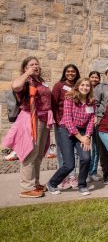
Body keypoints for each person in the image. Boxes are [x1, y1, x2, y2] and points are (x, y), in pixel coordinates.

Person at [3, 56, 55, 198]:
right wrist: (27, 74)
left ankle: (36, 183)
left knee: (39, 155)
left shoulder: (41, 81)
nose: (35, 66)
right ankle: (27, 187)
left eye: (37, 64)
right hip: (31, 119)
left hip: (43, 120)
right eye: (31, 65)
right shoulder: (25, 80)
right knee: (30, 153)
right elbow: (15, 86)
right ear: (25, 68)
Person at [47, 78, 95, 196]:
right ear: (78, 86)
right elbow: (68, 120)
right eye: (82, 85)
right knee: (69, 164)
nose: (85, 87)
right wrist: (81, 137)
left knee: (86, 158)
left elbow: (91, 120)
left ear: (90, 88)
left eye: (87, 86)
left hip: (83, 132)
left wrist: (87, 136)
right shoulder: (69, 98)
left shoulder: (92, 101)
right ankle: (52, 183)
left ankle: (82, 185)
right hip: (66, 130)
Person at [52, 64, 81, 189]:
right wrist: (58, 121)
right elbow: (53, 104)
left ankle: (73, 176)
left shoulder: (78, 86)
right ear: (65, 73)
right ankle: (62, 177)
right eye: (68, 71)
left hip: (76, 123)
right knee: (62, 150)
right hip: (62, 124)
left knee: (74, 151)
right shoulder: (59, 86)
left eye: (73, 71)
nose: (70, 73)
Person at [87, 71, 101, 182]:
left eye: (97, 77)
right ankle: (84, 172)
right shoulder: (85, 88)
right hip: (84, 122)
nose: (94, 79)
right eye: (92, 77)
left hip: (96, 121)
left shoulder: (100, 89)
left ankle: (93, 171)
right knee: (85, 149)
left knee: (96, 148)